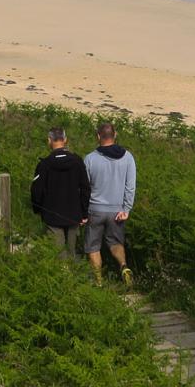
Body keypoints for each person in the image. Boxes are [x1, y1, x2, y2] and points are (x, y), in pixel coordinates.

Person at [83, 122, 136, 286]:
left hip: (95, 209)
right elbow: (130, 186)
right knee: (115, 242)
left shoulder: (90, 158)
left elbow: (85, 187)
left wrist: (83, 211)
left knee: (93, 246)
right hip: (117, 210)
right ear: (115, 135)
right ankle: (124, 266)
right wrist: (126, 208)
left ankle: (98, 280)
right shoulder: (128, 157)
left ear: (98, 136)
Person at [30, 127, 90, 256]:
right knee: (72, 252)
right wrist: (84, 213)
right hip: (74, 214)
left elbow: (36, 190)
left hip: (52, 215)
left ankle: (62, 273)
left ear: (49, 140)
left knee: (58, 253)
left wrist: (37, 209)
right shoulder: (77, 161)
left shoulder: (44, 164)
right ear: (65, 140)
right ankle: (73, 272)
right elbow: (85, 188)